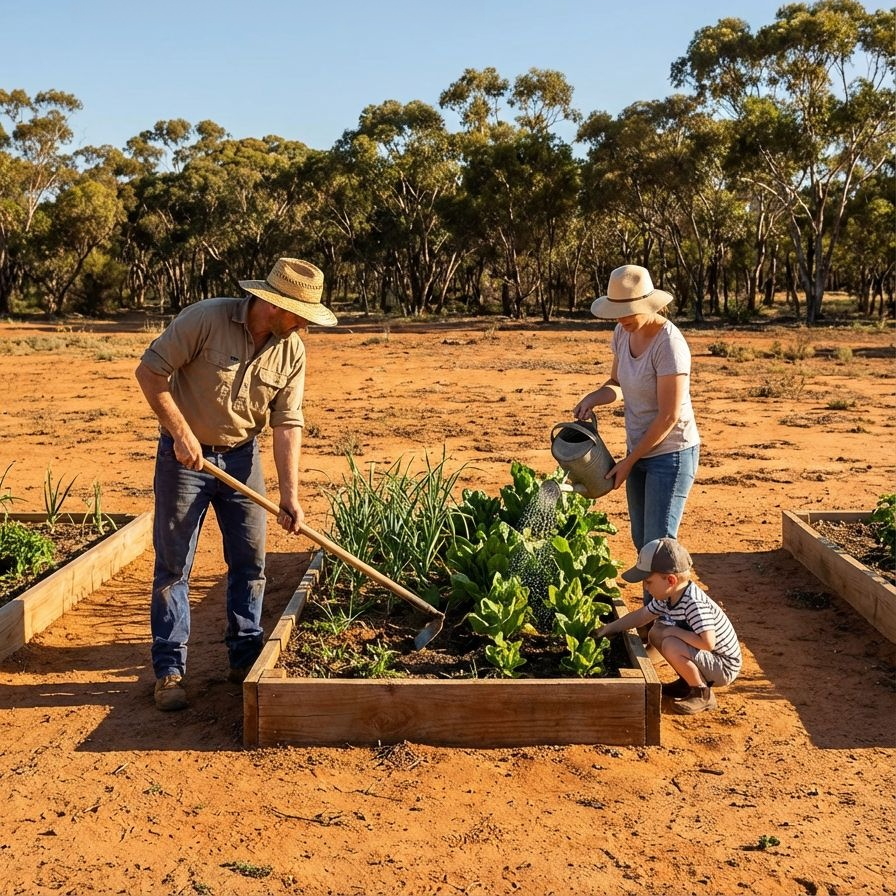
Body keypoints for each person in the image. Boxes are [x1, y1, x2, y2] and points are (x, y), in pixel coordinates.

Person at [135, 257, 337, 711]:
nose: (305, 323)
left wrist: (289, 495)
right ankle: (170, 671)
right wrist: (181, 434)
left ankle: (245, 658)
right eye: (300, 313)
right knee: (174, 565)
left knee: (250, 560)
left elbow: (287, 423)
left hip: (242, 458)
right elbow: (150, 372)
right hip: (184, 458)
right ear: (272, 303)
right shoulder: (205, 318)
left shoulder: (292, 348)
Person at [573, 264, 700, 605]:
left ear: (650, 305)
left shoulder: (670, 344)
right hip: (639, 452)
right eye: (618, 313)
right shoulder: (623, 332)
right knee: (641, 540)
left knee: (658, 547)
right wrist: (593, 397)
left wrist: (629, 462)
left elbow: (669, 415)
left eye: (628, 312)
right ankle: (657, 618)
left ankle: (668, 622)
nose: (622, 319)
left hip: (671, 453)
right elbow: (616, 385)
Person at [594, 537, 741, 714]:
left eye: (648, 582)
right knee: (657, 632)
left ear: (671, 580)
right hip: (709, 658)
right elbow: (641, 616)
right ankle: (688, 683)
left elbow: (708, 643)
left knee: (670, 641)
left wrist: (674, 631)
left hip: (723, 666)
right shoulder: (669, 597)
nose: (646, 588)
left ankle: (702, 693)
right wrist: (609, 628)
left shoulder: (694, 604)